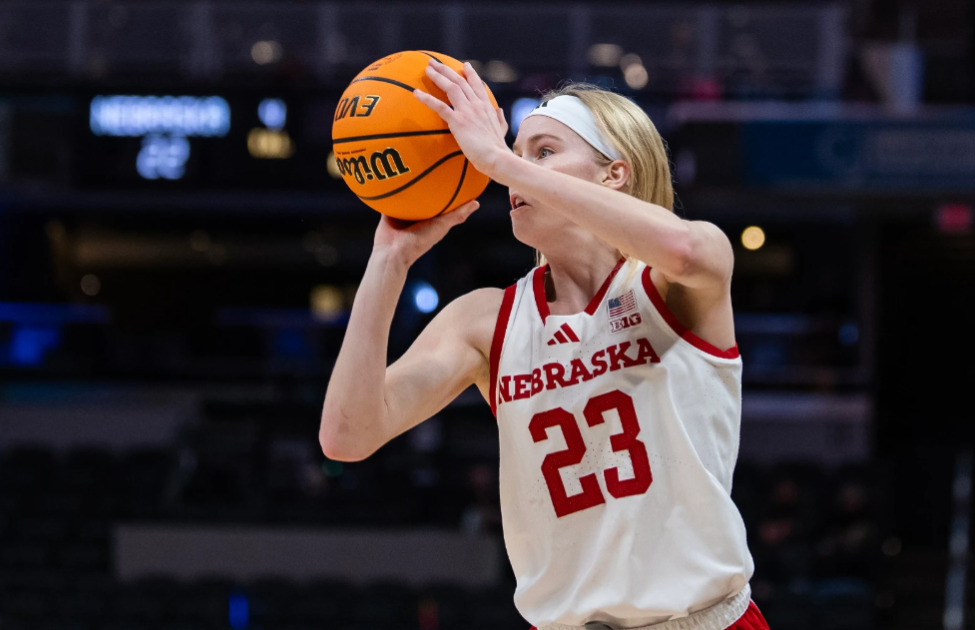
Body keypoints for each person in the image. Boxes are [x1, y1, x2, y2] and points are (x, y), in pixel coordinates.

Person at [320, 60, 766, 630]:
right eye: (517, 154)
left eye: (544, 152)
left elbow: (681, 246)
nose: (512, 175)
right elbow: (346, 436)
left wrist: (499, 160)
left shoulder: (675, 282)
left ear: (614, 174)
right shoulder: (486, 320)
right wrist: (389, 259)